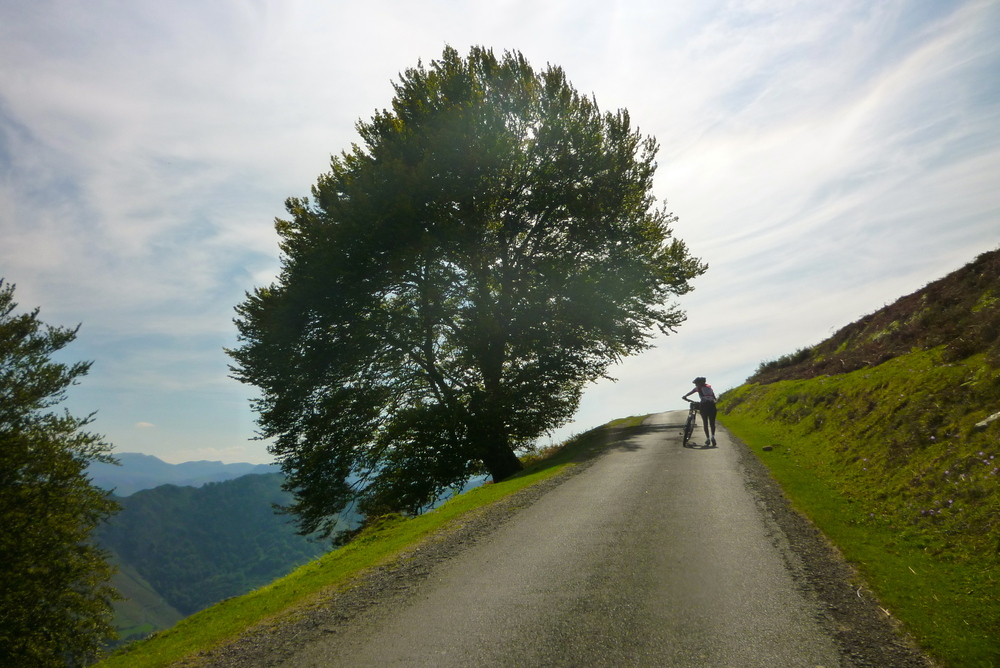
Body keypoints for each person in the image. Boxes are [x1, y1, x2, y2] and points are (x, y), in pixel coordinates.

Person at [682, 377, 717, 446]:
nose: (695, 385)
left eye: (696, 383)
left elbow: (690, 392)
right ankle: (713, 436)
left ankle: (708, 438)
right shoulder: (710, 388)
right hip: (712, 405)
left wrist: (685, 396)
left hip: (704, 406)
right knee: (712, 423)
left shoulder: (698, 388)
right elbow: (714, 397)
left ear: (699, 383)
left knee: (705, 422)